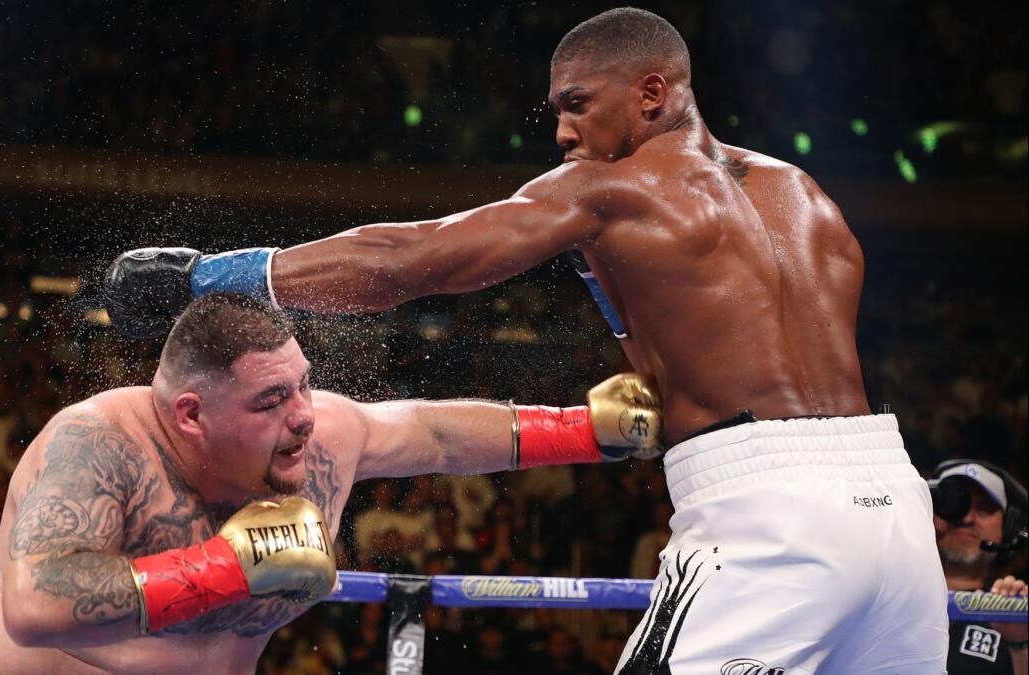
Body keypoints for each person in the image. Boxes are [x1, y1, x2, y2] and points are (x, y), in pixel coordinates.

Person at [104, 7, 948, 672]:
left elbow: (415, 259)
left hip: (770, 513)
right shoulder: (804, 194)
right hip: (897, 508)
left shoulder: (613, 188)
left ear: (652, 94)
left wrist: (211, 276)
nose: (563, 134)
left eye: (577, 105)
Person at [0, 292, 658, 675]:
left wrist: (586, 429)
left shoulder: (322, 441)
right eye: (271, 400)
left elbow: (435, 432)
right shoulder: (98, 444)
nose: (305, 415)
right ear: (191, 414)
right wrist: (223, 567)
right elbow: (35, 603)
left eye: (303, 385)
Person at [931, 460, 1028, 674]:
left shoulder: (1018, 619)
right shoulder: (887, 597)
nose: (966, 518)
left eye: (984, 509)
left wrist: (1020, 645)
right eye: (953, 504)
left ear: (1008, 527)